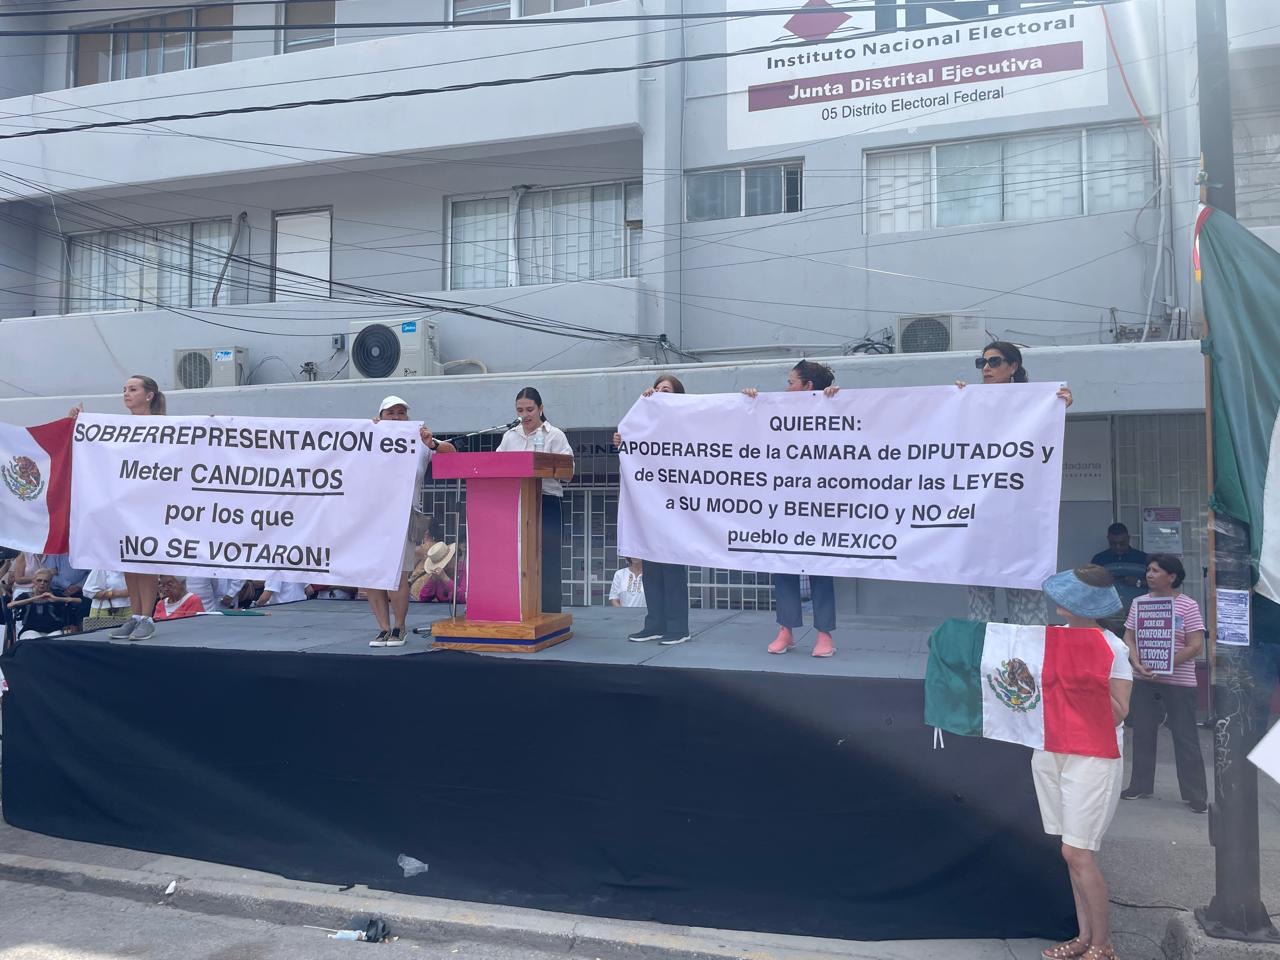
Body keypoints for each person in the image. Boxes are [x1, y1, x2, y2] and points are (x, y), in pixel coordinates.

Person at [1035, 565, 1132, 960]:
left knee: (1078, 851)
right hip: (1054, 746)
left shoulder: (1113, 648)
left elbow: (1119, 712)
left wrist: (1088, 676)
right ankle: (1084, 936)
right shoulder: (1052, 637)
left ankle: (1102, 944)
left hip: (1094, 753)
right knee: (1069, 850)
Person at [957, 342, 1073, 626]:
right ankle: (982, 651)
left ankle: (1027, 653)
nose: (986, 368)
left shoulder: (1035, 402)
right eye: (982, 362)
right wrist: (953, 400)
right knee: (979, 601)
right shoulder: (971, 400)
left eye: (994, 362)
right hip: (981, 516)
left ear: (1013, 367)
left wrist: (1060, 404)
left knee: (1025, 595)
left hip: (1020, 517)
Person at [743, 361, 841, 658]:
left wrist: (838, 401)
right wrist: (750, 403)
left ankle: (824, 633)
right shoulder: (777, 411)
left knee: (821, 567)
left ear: (808, 386)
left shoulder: (832, 408)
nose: (786, 389)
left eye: (791, 382)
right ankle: (786, 628)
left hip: (819, 504)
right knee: (783, 563)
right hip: (784, 502)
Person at [71, 376, 166, 641]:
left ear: (149, 395)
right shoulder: (119, 426)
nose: (126, 393)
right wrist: (80, 424)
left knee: (146, 560)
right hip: (123, 502)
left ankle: (147, 617)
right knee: (128, 559)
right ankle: (135, 615)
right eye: (124, 389)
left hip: (148, 501)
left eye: (133, 389)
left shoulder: (163, 425)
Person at [1120, 554, 1208, 813]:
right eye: (1148, 570)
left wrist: (1166, 663)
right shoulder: (1139, 603)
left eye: (1156, 571)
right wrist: (1137, 662)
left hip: (1179, 682)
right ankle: (1140, 785)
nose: (1150, 574)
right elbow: (1129, 636)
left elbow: (1195, 645)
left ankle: (1195, 794)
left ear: (1172, 576)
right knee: (1142, 733)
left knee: (1185, 736)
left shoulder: (1188, 606)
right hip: (1144, 678)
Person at [366, 395, 455, 646]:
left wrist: (432, 442)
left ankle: (399, 627)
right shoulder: (370, 438)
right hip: (370, 515)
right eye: (390, 413)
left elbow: (451, 452)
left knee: (398, 573)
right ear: (380, 416)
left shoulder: (418, 439)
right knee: (370, 574)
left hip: (404, 514)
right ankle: (383, 628)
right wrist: (368, 431)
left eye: (401, 413)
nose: (396, 417)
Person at [613, 374, 692, 645]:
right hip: (651, 505)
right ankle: (655, 623)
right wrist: (624, 440)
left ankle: (678, 627)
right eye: (657, 389)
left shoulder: (687, 422)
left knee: (672, 567)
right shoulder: (646, 423)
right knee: (652, 566)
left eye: (666, 390)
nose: (659, 393)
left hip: (677, 505)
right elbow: (634, 446)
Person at [497, 387, 573, 615]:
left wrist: (544, 465)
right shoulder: (510, 436)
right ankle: (518, 610)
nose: (525, 415)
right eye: (520, 410)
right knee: (517, 557)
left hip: (546, 502)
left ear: (541, 408)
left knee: (548, 559)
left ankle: (549, 613)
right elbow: (496, 465)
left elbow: (568, 471)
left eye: (529, 409)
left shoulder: (555, 435)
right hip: (517, 503)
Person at [1090, 523, 1149, 631]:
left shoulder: (1143, 559)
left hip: (1138, 615)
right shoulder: (1099, 559)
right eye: (1113, 543)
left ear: (1128, 539)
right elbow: (1090, 586)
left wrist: (1138, 582)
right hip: (1107, 617)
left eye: (1122, 543)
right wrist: (1103, 580)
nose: (1118, 547)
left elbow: (1157, 584)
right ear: (1108, 539)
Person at [10, 568, 80, 638]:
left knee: (57, 639)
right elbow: (10, 605)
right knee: (31, 638)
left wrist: (57, 599)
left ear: (50, 583)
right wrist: (34, 599)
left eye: (46, 581)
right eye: (39, 580)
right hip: (30, 630)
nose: (42, 583)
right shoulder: (25, 595)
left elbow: (80, 601)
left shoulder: (56, 594)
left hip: (53, 631)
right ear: (34, 581)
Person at [407, 515, 444, 600]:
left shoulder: (421, 549)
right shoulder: (440, 547)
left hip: (419, 587)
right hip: (437, 587)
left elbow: (408, 570)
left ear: (426, 531)